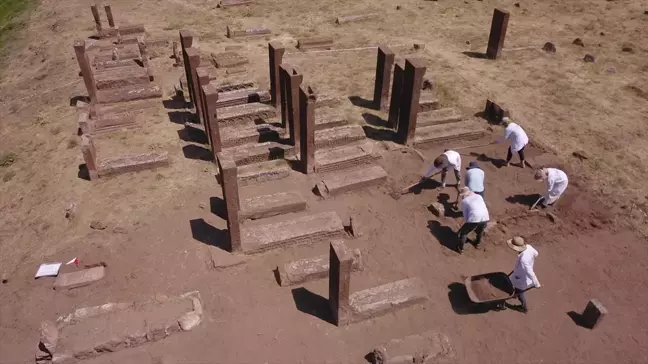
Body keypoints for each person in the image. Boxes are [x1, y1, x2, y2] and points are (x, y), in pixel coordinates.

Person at [506, 236, 541, 313]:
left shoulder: (523, 259)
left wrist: (536, 283)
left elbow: (530, 272)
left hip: (522, 277)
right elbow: (536, 253)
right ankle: (514, 293)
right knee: (513, 284)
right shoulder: (529, 247)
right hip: (519, 272)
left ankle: (524, 308)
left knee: (520, 292)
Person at [456, 187, 489, 253]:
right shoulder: (479, 196)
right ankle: (477, 244)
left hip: (475, 217)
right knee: (480, 231)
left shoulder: (465, 201)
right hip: (485, 216)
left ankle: (460, 249)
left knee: (464, 233)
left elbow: (465, 215)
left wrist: (466, 225)